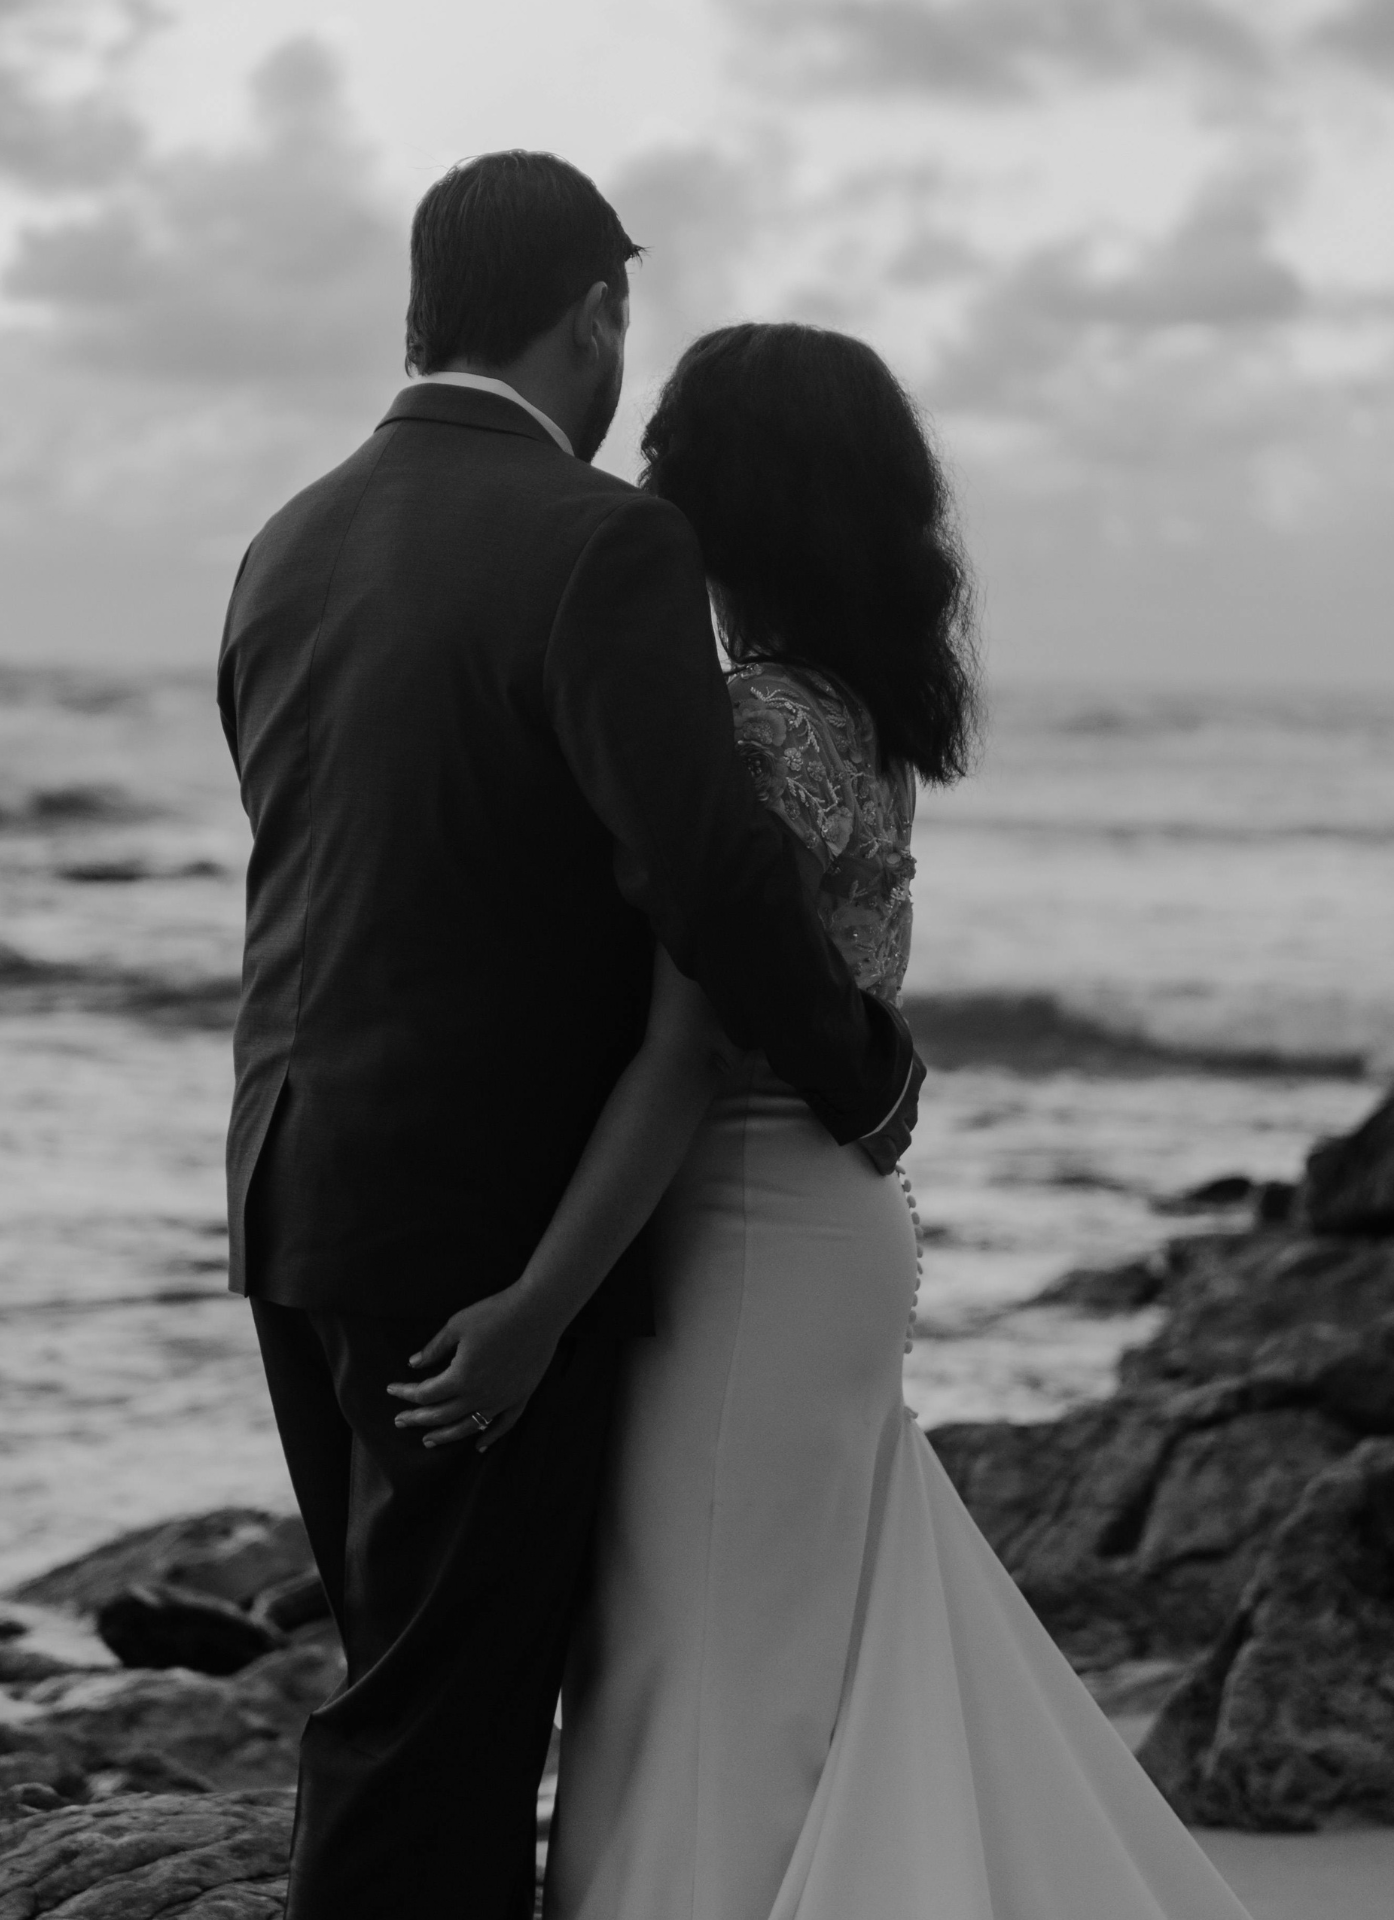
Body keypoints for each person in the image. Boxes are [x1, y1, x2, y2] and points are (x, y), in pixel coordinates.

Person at [404, 322, 1258, 1919]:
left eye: (669, 453)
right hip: (810, 1229)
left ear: (736, 490)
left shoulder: (755, 727)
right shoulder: (842, 708)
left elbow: (686, 1056)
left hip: (747, 1240)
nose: (641, 479)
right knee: (781, 1658)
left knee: (712, 1677)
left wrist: (536, 1307)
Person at [215, 157, 924, 1920]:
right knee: (436, 1738)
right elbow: (701, 882)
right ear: (599, 307)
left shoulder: (284, 540)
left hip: (292, 1193)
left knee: (407, 1683)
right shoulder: (605, 543)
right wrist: (867, 1071)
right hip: (486, 1230)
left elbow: (342, 866)